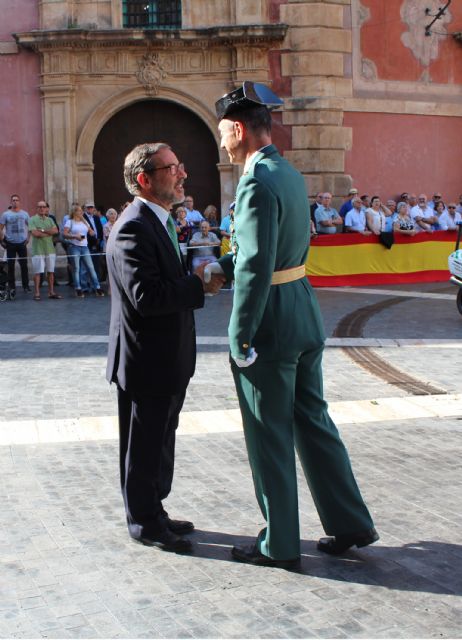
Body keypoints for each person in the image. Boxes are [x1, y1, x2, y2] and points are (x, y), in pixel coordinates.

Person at [200, 81, 378, 568]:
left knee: (269, 432)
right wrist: (223, 265)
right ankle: (350, 523)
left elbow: (257, 265)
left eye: (221, 133)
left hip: (271, 319)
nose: (221, 142)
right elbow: (271, 250)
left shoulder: (255, 181)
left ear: (238, 129)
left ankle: (278, 545)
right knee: (314, 421)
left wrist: (240, 335)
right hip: (302, 307)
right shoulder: (289, 173)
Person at [105, 142, 223, 553]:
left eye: (179, 165)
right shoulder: (134, 226)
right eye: (172, 168)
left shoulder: (159, 221)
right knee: (144, 445)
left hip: (166, 358)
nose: (182, 174)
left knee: (160, 440)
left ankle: (155, 509)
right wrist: (198, 284)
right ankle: (145, 522)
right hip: (146, 361)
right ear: (145, 179)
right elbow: (146, 296)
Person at [63, 204, 105, 298]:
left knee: (91, 267)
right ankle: (78, 288)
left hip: (85, 247)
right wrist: (74, 236)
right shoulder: (70, 222)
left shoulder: (84, 221)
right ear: (74, 212)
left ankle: (97, 287)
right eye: (79, 210)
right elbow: (64, 234)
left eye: (81, 210)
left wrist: (91, 232)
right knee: (77, 268)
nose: (81, 212)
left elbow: (90, 231)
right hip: (74, 247)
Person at [28, 200, 62, 300]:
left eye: (44, 207)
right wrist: (48, 233)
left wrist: (42, 230)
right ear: (37, 208)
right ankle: (37, 293)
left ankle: (51, 292)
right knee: (38, 272)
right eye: (40, 207)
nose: (42, 209)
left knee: (51, 272)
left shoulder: (50, 220)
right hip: (38, 250)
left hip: (50, 249)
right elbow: (35, 233)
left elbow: (56, 231)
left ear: (46, 208)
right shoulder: (32, 219)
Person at [0, 194, 30, 294]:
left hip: (22, 243)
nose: (15, 202)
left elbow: (30, 227)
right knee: (11, 266)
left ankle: (26, 286)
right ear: (11, 202)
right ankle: (12, 286)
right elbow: (0, 228)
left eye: (17, 200)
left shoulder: (25, 214)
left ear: (19, 202)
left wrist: (28, 238)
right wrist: (2, 241)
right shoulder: (6, 214)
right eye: (13, 200)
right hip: (10, 243)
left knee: (24, 265)